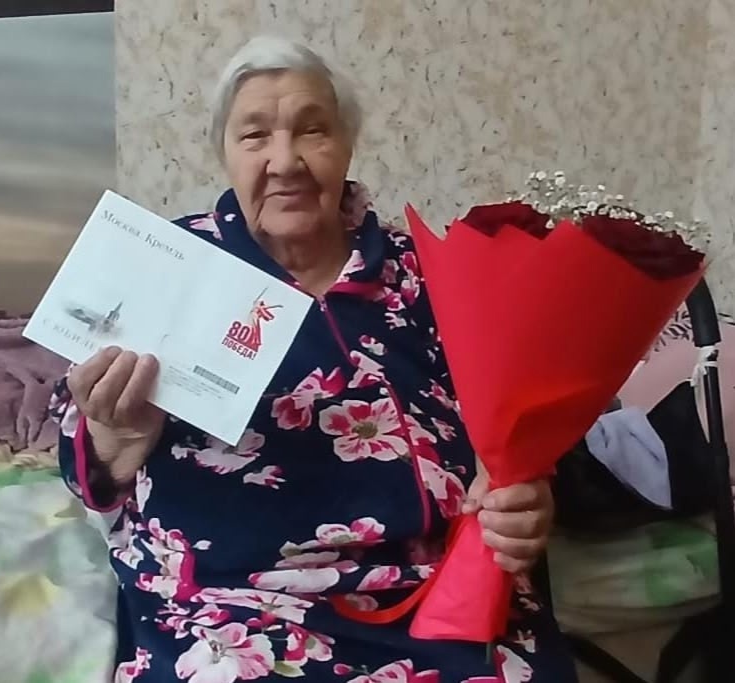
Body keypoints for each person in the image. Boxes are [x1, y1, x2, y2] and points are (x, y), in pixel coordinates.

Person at [53, 36, 578, 682]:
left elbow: (515, 430)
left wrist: (522, 495)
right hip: (233, 600)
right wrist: (114, 436)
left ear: (347, 145)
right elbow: (81, 453)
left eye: (312, 130)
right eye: (255, 136)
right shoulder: (172, 265)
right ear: (225, 152)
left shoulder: (428, 272)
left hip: (436, 592)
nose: (285, 161)